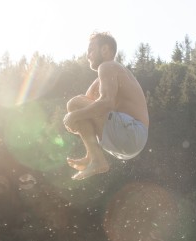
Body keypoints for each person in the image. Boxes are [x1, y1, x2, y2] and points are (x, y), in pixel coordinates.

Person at [63, 32, 149, 180]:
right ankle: (93, 156)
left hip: (132, 131)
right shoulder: (102, 77)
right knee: (80, 106)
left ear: (104, 50)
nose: (87, 55)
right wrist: (77, 119)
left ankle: (97, 160)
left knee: (75, 104)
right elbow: (90, 113)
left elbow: (106, 102)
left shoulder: (108, 66)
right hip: (129, 143)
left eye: (91, 49)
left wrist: (73, 116)